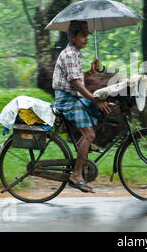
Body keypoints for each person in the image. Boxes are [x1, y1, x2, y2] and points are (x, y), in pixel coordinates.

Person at [52, 20, 111, 193]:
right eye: (82, 35)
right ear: (72, 37)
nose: (86, 39)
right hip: (66, 100)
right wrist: (94, 98)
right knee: (90, 133)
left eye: (87, 35)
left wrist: (91, 72)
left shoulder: (75, 54)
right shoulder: (69, 55)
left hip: (73, 97)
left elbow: (77, 78)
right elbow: (77, 84)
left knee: (103, 111)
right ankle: (76, 175)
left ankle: (82, 144)